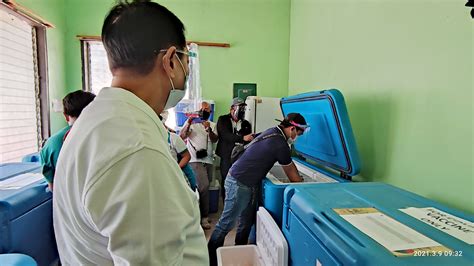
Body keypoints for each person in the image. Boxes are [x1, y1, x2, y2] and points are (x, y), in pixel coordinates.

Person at [52, 1, 208, 265]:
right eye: (186, 60)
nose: (186, 72)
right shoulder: (137, 148)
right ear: (170, 60)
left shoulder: (99, 119)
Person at [208, 113, 308, 265]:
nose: (297, 137)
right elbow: (293, 176)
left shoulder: (272, 131)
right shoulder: (280, 143)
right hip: (238, 182)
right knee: (227, 223)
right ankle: (211, 258)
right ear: (293, 129)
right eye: (298, 133)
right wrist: (305, 186)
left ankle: (240, 251)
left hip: (247, 182)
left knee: (246, 221)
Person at [39, 90, 95, 191]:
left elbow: (53, 187)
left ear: (65, 115)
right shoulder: (104, 135)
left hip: (67, 204)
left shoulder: (52, 144)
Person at [180, 101, 218, 229]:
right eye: (202, 109)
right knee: (204, 186)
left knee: (204, 188)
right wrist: (190, 121)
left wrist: (208, 129)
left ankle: (201, 216)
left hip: (209, 160)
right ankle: (203, 218)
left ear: (210, 112)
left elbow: (215, 139)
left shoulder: (213, 124)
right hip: (195, 160)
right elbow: (182, 135)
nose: (204, 111)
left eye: (206, 109)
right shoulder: (192, 125)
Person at [216, 98, 253, 200]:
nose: (242, 110)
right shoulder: (222, 120)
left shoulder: (245, 124)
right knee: (226, 178)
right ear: (232, 108)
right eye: (240, 107)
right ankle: (225, 202)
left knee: (238, 180)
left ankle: (236, 202)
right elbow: (225, 135)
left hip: (241, 156)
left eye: (243, 108)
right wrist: (242, 138)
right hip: (226, 156)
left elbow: (248, 139)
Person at [160, 114, 197, 191]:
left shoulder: (173, 138)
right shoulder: (152, 139)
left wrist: (176, 168)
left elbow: (187, 156)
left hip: (175, 172)